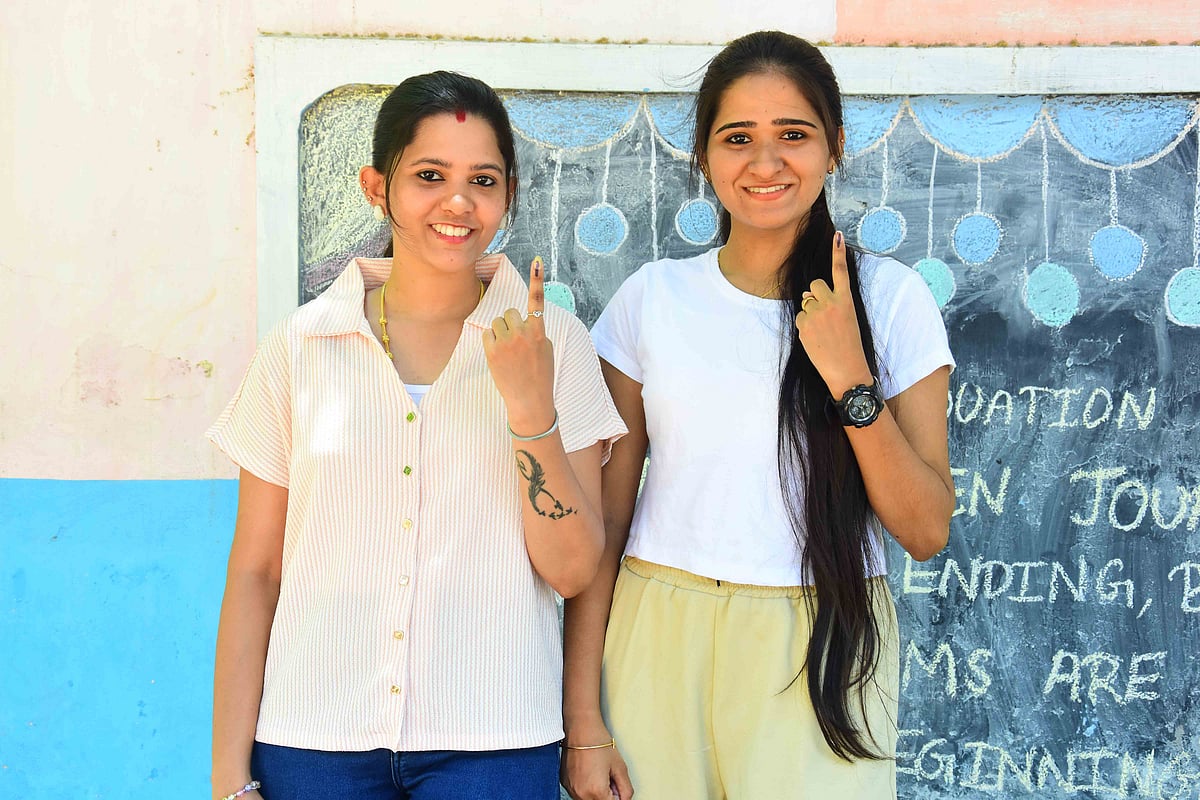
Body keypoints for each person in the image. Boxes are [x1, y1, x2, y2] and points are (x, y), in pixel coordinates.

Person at [208, 71, 626, 800]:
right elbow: (256, 573)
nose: (458, 202)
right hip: (313, 738)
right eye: (430, 175)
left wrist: (531, 407)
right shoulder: (301, 346)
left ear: (509, 194)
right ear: (378, 187)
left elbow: (572, 572)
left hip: (493, 740)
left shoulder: (555, 344)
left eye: (483, 180)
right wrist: (227, 777)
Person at [561, 31, 955, 800]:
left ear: (835, 146)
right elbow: (603, 527)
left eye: (793, 135)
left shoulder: (893, 300)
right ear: (703, 155)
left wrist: (850, 379)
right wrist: (584, 724)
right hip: (657, 630)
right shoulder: (651, 300)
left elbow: (925, 528)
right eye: (737, 137)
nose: (765, 163)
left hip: (825, 637)